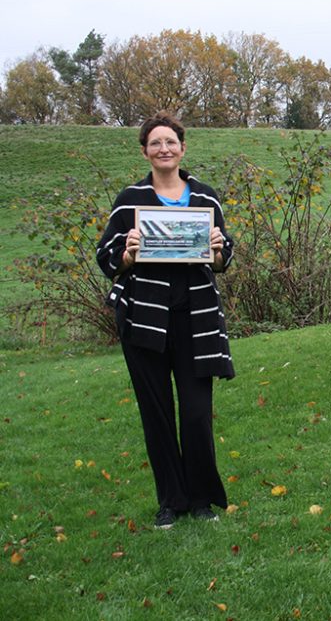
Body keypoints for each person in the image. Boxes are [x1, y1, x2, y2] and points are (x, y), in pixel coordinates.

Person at [96, 112, 235, 527]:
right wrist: (127, 252)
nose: (164, 149)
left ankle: (201, 499)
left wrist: (216, 248)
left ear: (182, 148)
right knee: (156, 412)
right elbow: (105, 256)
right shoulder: (130, 199)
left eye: (170, 142)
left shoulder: (205, 198)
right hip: (145, 318)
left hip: (196, 317)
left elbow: (224, 255)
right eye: (155, 143)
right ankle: (170, 501)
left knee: (195, 411)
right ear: (145, 152)